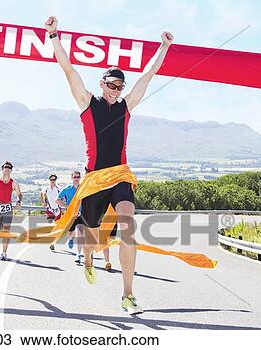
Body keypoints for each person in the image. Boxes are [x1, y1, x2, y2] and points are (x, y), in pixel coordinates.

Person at [45, 16, 173, 314]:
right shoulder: (88, 103)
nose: (116, 89)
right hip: (94, 179)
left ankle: (128, 293)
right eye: (112, 84)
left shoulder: (127, 107)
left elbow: (149, 74)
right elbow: (68, 70)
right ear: (102, 83)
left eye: (120, 86)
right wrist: (53, 35)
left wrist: (163, 46)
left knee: (128, 224)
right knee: (91, 239)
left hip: (120, 175)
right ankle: (88, 259)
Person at [0, 161, 22, 260]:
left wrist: (19, 201)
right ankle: (0, 231)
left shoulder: (14, 183)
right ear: (2, 169)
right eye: (5, 167)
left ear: (11, 170)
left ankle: (4, 253)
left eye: (9, 167)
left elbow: (19, 194)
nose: (7, 168)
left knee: (6, 231)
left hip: (8, 208)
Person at [55, 171, 84, 263]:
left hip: (81, 215)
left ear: (80, 178)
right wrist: (67, 206)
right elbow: (57, 200)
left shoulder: (83, 188)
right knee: (71, 233)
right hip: (70, 215)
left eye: (78, 177)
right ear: (72, 178)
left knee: (80, 234)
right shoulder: (67, 189)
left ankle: (78, 255)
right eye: (75, 177)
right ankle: (71, 239)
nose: (76, 179)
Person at [41, 174, 61, 250]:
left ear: (56, 180)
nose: (52, 181)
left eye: (54, 180)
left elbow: (63, 196)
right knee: (51, 226)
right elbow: (42, 194)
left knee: (56, 227)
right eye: (51, 180)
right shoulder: (46, 188)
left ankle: (53, 243)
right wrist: (43, 201)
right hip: (50, 209)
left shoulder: (59, 188)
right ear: (49, 180)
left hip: (57, 210)